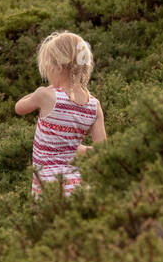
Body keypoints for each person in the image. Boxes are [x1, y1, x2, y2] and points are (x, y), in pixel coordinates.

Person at [15, 31, 106, 197]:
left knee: (45, 223)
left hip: (47, 186)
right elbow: (102, 151)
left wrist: (45, 89)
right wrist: (74, 149)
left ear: (57, 67)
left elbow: (19, 107)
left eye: (47, 67)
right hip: (78, 187)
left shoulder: (46, 95)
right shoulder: (94, 105)